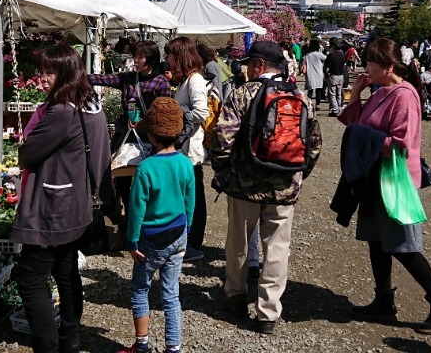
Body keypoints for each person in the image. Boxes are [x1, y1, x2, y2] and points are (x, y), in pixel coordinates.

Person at [337, 38, 431, 335]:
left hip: (394, 177)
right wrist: (356, 93)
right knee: (376, 241)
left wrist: (366, 139)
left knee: (403, 245)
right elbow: (351, 122)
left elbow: (402, 143)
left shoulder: (404, 95)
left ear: (389, 67)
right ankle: (383, 301)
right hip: (373, 176)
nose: (365, 67)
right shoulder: (380, 92)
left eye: (370, 63)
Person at [11, 43, 117, 353]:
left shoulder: (61, 111)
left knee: (31, 280)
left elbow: (28, 152)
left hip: (53, 207)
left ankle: (47, 346)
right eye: (40, 72)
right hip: (79, 202)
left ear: (66, 73)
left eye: (49, 72)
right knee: (66, 271)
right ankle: (70, 338)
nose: (41, 79)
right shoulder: (90, 102)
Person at [208, 40, 308, 335]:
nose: (247, 68)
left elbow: (223, 138)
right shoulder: (299, 96)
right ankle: (268, 312)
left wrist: (223, 171)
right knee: (277, 247)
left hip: (245, 186)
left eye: (250, 63)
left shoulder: (242, 93)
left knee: (238, 241)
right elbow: (312, 144)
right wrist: (296, 175)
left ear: (259, 65)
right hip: (284, 185)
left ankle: (235, 295)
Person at [118, 97, 196, 353]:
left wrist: (131, 241)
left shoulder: (146, 168)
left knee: (141, 289)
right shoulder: (186, 163)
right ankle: (173, 348)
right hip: (178, 234)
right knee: (171, 294)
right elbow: (189, 202)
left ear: (151, 135)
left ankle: (142, 345)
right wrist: (187, 231)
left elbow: (136, 211)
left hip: (150, 240)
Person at [89, 40, 172, 211]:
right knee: (121, 175)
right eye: (135, 56)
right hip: (127, 135)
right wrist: (78, 77)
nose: (135, 60)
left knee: (149, 176)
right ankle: (126, 217)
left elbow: (164, 112)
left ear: (150, 59)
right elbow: (104, 79)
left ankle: (148, 214)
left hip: (149, 136)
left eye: (140, 57)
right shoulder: (128, 78)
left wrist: (143, 122)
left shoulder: (160, 82)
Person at [164, 36, 209, 262]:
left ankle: (194, 244)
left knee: (194, 199)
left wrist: (179, 116)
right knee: (188, 198)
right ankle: (188, 242)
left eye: (170, 55)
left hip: (191, 151)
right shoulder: (186, 80)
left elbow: (202, 113)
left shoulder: (195, 80)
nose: (168, 59)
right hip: (185, 150)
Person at [324, 37, 347, 116]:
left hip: (333, 75)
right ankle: (339, 107)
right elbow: (344, 65)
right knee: (339, 93)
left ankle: (335, 109)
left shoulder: (331, 55)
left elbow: (326, 65)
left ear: (333, 46)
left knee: (332, 93)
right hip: (341, 76)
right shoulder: (341, 55)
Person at [301, 39, 326, 110]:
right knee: (318, 90)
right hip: (319, 74)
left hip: (310, 74)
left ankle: (309, 104)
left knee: (310, 91)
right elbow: (326, 59)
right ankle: (317, 105)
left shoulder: (307, 55)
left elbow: (303, 63)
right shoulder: (319, 54)